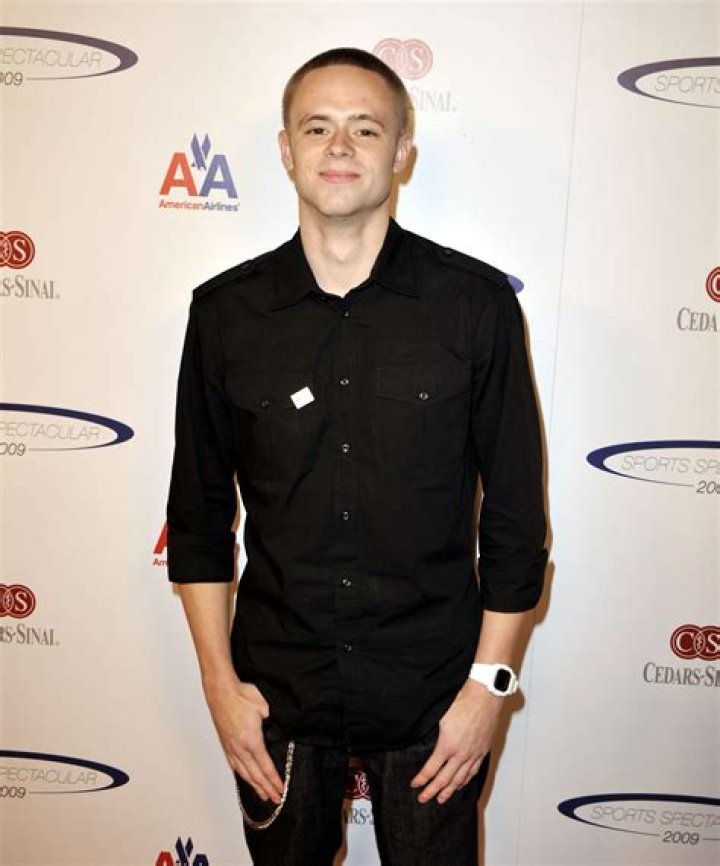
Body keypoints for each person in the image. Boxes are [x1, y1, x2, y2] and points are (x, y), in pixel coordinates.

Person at [167, 46, 547, 866]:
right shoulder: (226, 315)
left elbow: (517, 525)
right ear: (286, 150)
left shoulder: (475, 307)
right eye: (317, 127)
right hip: (277, 698)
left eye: (366, 129)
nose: (339, 146)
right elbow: (197, 521)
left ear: (402, 151)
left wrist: (489, 690)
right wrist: (219, 688)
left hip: (435, 700)